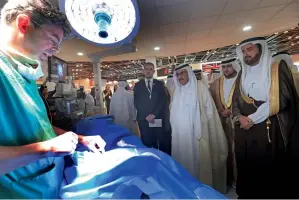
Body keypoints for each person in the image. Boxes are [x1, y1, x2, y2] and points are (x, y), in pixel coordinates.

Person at [0, 0, 106, 198]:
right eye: (53, 39)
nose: (55, 50)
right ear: (23, 24)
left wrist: (80, 139)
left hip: (47, 185)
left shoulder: (24, 74)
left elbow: (38, 126)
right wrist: (46, 148)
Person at [232, 37, 299, 198]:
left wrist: (253, 118)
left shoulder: (277, 67)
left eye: (249, 49)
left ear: (260, 49)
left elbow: (282, 98)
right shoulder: (242, 72)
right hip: (246, 131)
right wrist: (239, 117)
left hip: (272, 129)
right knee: (249, 165)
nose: (246, 54)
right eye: (243, 51)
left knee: (270, 168)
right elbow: (236, 101)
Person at [170, 63, 228, 193]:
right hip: (180, 136)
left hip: (198, 134)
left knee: (199, 163)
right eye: (178, 74)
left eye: (183, 73)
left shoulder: (200, 88)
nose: (180, 77)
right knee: (183, 160)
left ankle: (201, 190)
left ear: (189, 73)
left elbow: (209, 111)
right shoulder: (175, 90)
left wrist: (202, 126)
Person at [209, 58, 241, 188]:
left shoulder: (242, 80)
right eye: (224, 67)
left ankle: (240, 179)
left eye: (229, 66)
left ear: (234, 66)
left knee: (238, 151)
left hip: (239, 123)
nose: (226, 69)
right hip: (221, 124)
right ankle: (228, 178)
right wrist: (219, 111)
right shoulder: (216, 83)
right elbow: (209, 104)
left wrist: (232, 111)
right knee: (224, 150)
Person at [134, 62, 171, 155]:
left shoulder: (160, 84)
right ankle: (150, 163)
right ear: (143, 71)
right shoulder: (138, 86)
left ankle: (161, 162)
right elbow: (137, 102)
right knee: (147, 142)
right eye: (146, 69)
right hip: (144, 119)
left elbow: (163, 101)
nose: (148, 71)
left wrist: (154, 114)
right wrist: (147, 115)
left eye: (151, 69)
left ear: (154, 71)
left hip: (157, 118)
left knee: (160, 141)